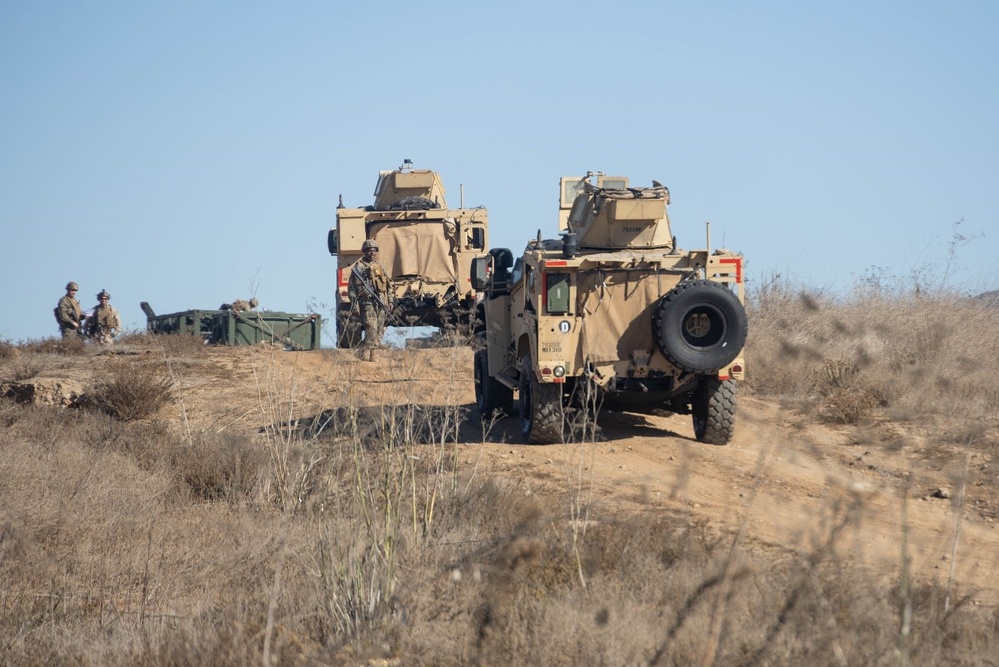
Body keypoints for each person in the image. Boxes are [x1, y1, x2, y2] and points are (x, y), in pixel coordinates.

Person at [347, 239, 392, 361]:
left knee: (379, 329)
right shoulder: (359, 267)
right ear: (364, 251)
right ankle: (373, 355)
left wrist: (391, 301)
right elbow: (352, 288)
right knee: (371, 327)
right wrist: (355, 305)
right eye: (369, 250)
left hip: (381, 302)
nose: (372, 253)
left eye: (374, 250)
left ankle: (362, 349)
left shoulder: (380, 266)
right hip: (367, 302)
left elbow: (388, 285)